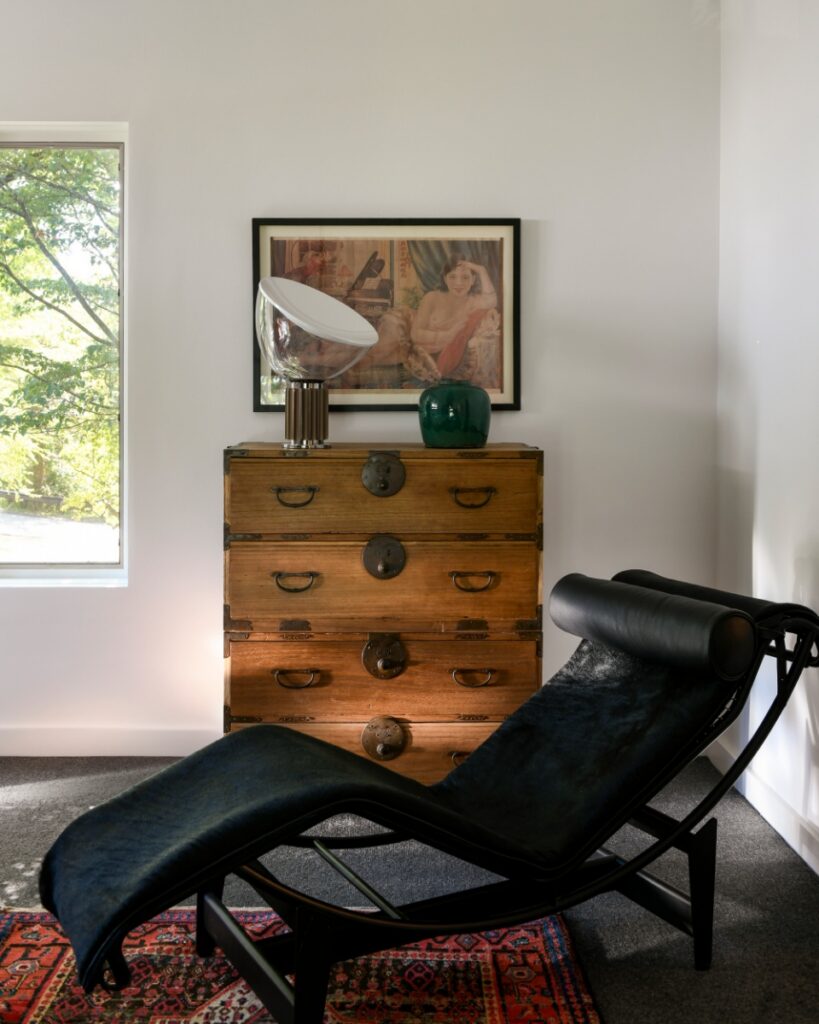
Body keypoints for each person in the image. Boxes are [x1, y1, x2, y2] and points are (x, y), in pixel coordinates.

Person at [410, 256, 498, 375]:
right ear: (445, 279)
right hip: (423, 358)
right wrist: (446, 335)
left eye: (465, 277)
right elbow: (415, 334)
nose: (459, 283)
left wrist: (482, 270)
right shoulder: (432, 298)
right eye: (452, 277)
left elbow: (492, 300)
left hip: (449, 360)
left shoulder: (472, 302)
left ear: (473, 280)